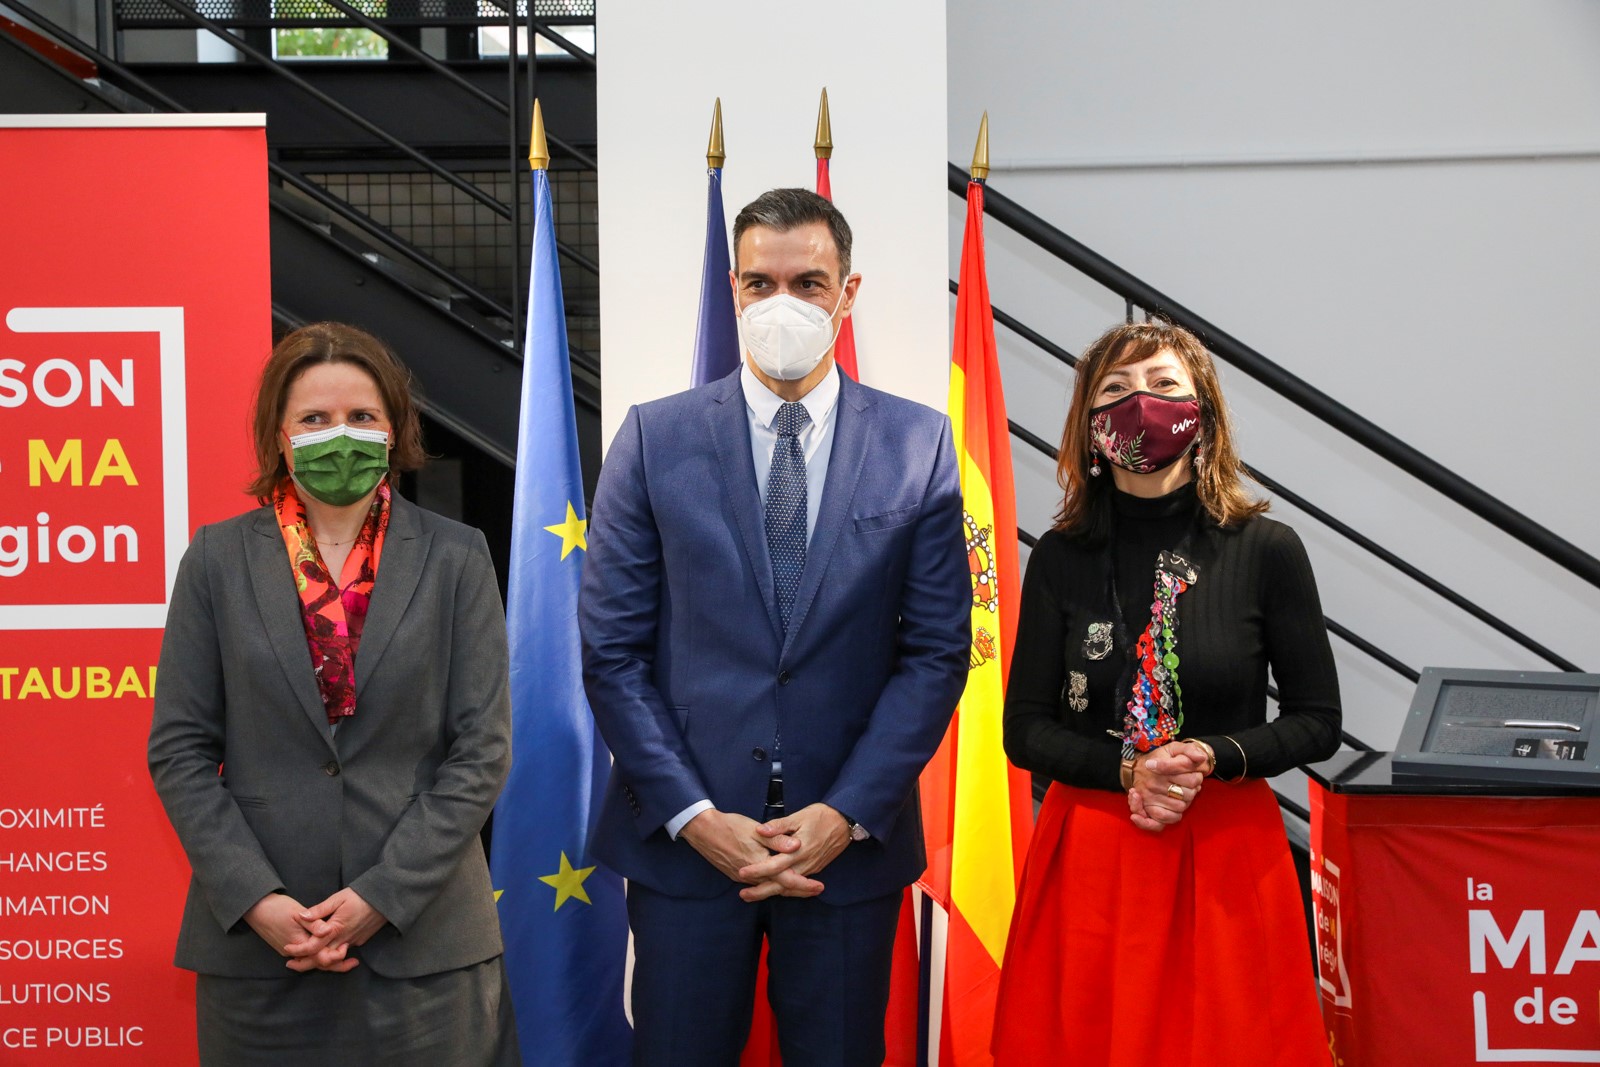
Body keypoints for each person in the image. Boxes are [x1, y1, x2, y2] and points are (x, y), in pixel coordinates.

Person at [579, 187, 970, 1066]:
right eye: (760, 283)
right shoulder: (653, 438)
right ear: (734, 289)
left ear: (848, 292)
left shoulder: (919, 446)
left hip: (846, 852)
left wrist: (847, 812)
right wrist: (694, 815)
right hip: (687, 848)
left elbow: (936, 652)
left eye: (807, 282)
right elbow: (611, 653)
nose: (780, 303)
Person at [147, 322, 519, 1067]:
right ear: (280, 437)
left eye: (361, 415)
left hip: (424, 946)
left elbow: (482, 750)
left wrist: (382, 895)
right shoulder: (217, 559)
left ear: (393, 430)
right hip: (261, 951)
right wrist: (257, 899)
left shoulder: (457, 555)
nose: (339, 434)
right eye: (315, 418)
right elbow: (180, 750)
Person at [991, 320, 1340, 1066]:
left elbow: (1317, 721)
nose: (1139, 402)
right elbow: (1024, 728)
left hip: (1226, 852)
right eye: (1115, 389)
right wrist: (1130, 770)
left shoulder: (1268, 550)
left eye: (1162, 385)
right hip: (1092, 853)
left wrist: (1207, 756)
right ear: (1088, 425)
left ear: (1202, 412)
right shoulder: (1059, 555)